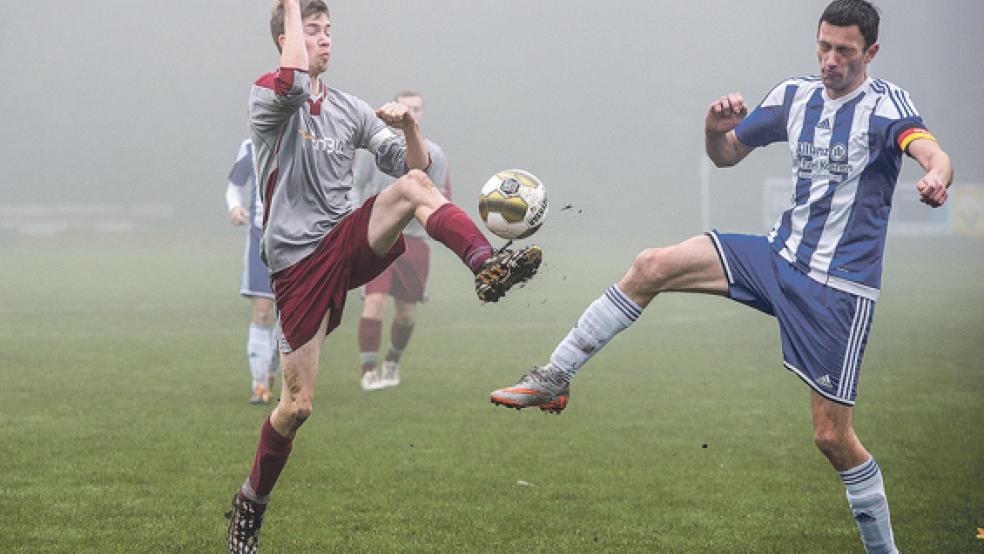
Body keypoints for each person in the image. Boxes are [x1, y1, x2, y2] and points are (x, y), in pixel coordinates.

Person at [490, 1, 950, 552]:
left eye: (844, 51)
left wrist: (936, 176)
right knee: (651, 265)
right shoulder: (794, 96)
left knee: (831, 437)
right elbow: (727, 155)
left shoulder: (885, 107)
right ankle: (554, 377)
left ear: (870, 52)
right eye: (823, 46)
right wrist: (713, 129)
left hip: (837, 290)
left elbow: (930, 150)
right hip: (776, 258)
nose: (830, 60)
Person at [226, 1, 541, 552]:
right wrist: (293, 10)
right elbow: (295, 79)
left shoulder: (349, 109)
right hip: (296, 267)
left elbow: (413, 167)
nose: (326, 39)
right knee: (296, 407)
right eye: (313, 31)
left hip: (344, 240)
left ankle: (485, 263)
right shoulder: (268, 97)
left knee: (413, 190)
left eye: (330, 30)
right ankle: (250, 503)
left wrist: (412, 126)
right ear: (287, 39)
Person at [352, 90, 451, 391]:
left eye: (417, 109)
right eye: (406, 108)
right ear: (395, 112)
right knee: (374, 303)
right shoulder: (376, 150)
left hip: (415, 244)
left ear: (422, 115)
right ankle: (368, 371)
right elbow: (354, 186)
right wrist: (357, 223)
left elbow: (442, 198)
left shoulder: (435, 154)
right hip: (379, 238)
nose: (411, 113)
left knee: (406, 315)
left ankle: (392, 361)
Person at [225, 138, 281, 404]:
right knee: (262, 310)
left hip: (301, 237)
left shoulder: (307, 141)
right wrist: (235, 207)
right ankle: (259, 385)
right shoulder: (250, 146)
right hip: (261, 235)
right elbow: (235, 185)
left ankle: (274, 368)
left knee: (294, 315)